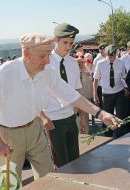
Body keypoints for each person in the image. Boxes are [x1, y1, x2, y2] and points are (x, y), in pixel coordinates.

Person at [0, 33, 121, 179]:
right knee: (7, 181)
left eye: (49, 55)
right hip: (7, 135)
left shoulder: (48, 72)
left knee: (48, 175)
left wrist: (101, 114)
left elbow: (72, 96)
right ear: (26, 53)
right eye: (42, 56)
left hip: (35, 130)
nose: (48, 61)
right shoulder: (5, 73)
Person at [42, 23, 89, 168]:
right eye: (65, 42)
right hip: (52, 119)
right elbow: (34, 94)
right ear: (55, 40)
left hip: (70, 116)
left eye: (71, 43)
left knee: (75, 159)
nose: (68, 47)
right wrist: (43, 117)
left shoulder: (72, 62)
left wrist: (82, 117)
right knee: (60, 163)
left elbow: (77, 91)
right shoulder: (45, 62)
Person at [93, 45, 130, 138]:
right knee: (107, 116)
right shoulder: (100, 63)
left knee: (120, 115)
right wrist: (95, 94)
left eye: (114, 56)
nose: (112, 59)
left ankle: (120, 136)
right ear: (106, 55)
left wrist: (126, 88)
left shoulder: (120, 62)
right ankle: (107, 136)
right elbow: (96, 79)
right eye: (110, 57)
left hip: (119, 92)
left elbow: (124, 76)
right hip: (106, 94)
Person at [92, 43, 108, 109]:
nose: (102, 53)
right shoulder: (97, 60)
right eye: (101, 51)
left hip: (109, 84)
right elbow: (94, 74)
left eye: (103, 51)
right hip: (100, 84)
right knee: (102, 103)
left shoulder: (111, 56)